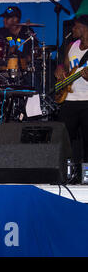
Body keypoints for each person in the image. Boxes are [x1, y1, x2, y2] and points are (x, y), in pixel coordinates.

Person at [54, 15, 88, 163]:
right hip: (69, 99)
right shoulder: (71, 46)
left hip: (87, 100)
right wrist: (60, 69)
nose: (73, 29)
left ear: (85, 28)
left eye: (76, 26)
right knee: (65, 141)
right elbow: (65, 66)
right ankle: (67, 173)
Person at [0, 5, 38, 70]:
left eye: (7, 18)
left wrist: (28, 58)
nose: (4, 20)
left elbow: (36, 50)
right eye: (4, 18)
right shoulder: (1, 32)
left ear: (15, 19)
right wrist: (8, 51)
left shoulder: (27, 31)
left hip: (24, 69)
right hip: (5, 68)